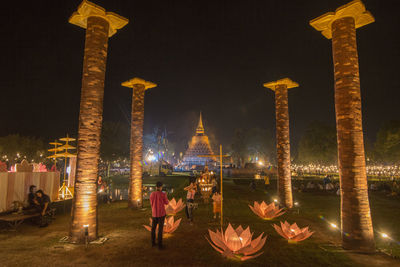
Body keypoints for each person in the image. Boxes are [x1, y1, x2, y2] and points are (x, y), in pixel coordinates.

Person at [150, 181, 169, 249]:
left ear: (156, 187)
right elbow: (167, 202)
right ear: (161, 187)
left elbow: (151, 203)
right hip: (161, 214)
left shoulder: (152, 194)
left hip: (154, 214)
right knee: (160, 230)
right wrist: (165, 196)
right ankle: (160, 245)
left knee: (153, 229)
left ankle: (153, 243)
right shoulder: (163, 194)